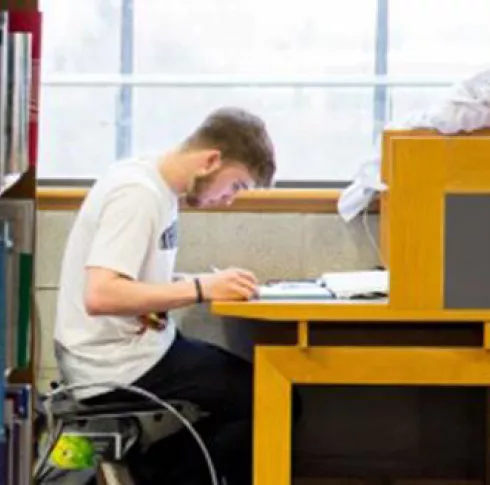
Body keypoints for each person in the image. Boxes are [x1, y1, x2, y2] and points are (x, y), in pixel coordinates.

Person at [53, 107, 276, 485]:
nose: (229, 200)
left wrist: (199, 282)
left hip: (140, 349)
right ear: (211, 160)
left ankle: (148, 471)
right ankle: (152, 474)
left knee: (259, 393)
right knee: (269, 401)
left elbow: (134, 277)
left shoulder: (157, 185)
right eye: (236, 186)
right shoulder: (137, 196)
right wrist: (201, 289)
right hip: (113, 365)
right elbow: (101, 293)